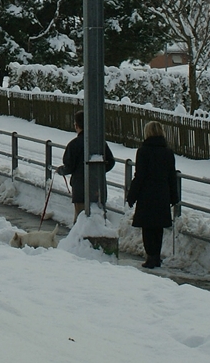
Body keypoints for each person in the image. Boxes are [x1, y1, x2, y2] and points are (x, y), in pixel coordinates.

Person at [126, 120, 179, 269]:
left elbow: (139, 176)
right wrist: (174, 197)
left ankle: (150, 257)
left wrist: (132, 196)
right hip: (162, 193)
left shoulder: (143, 151)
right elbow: (171, 176)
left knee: (147, 227)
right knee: (158, 228)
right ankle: (156, 256)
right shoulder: (168, 152)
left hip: (146, 194)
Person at [59, 111, 116, 220]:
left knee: (81, 221)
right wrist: (98, 171)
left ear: (77, 125)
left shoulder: (73, 144)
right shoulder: (100, 143)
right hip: (98, 189)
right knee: (98, 220)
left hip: (80, 190)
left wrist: (61, 171)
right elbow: (111, 161)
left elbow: (69, 166)